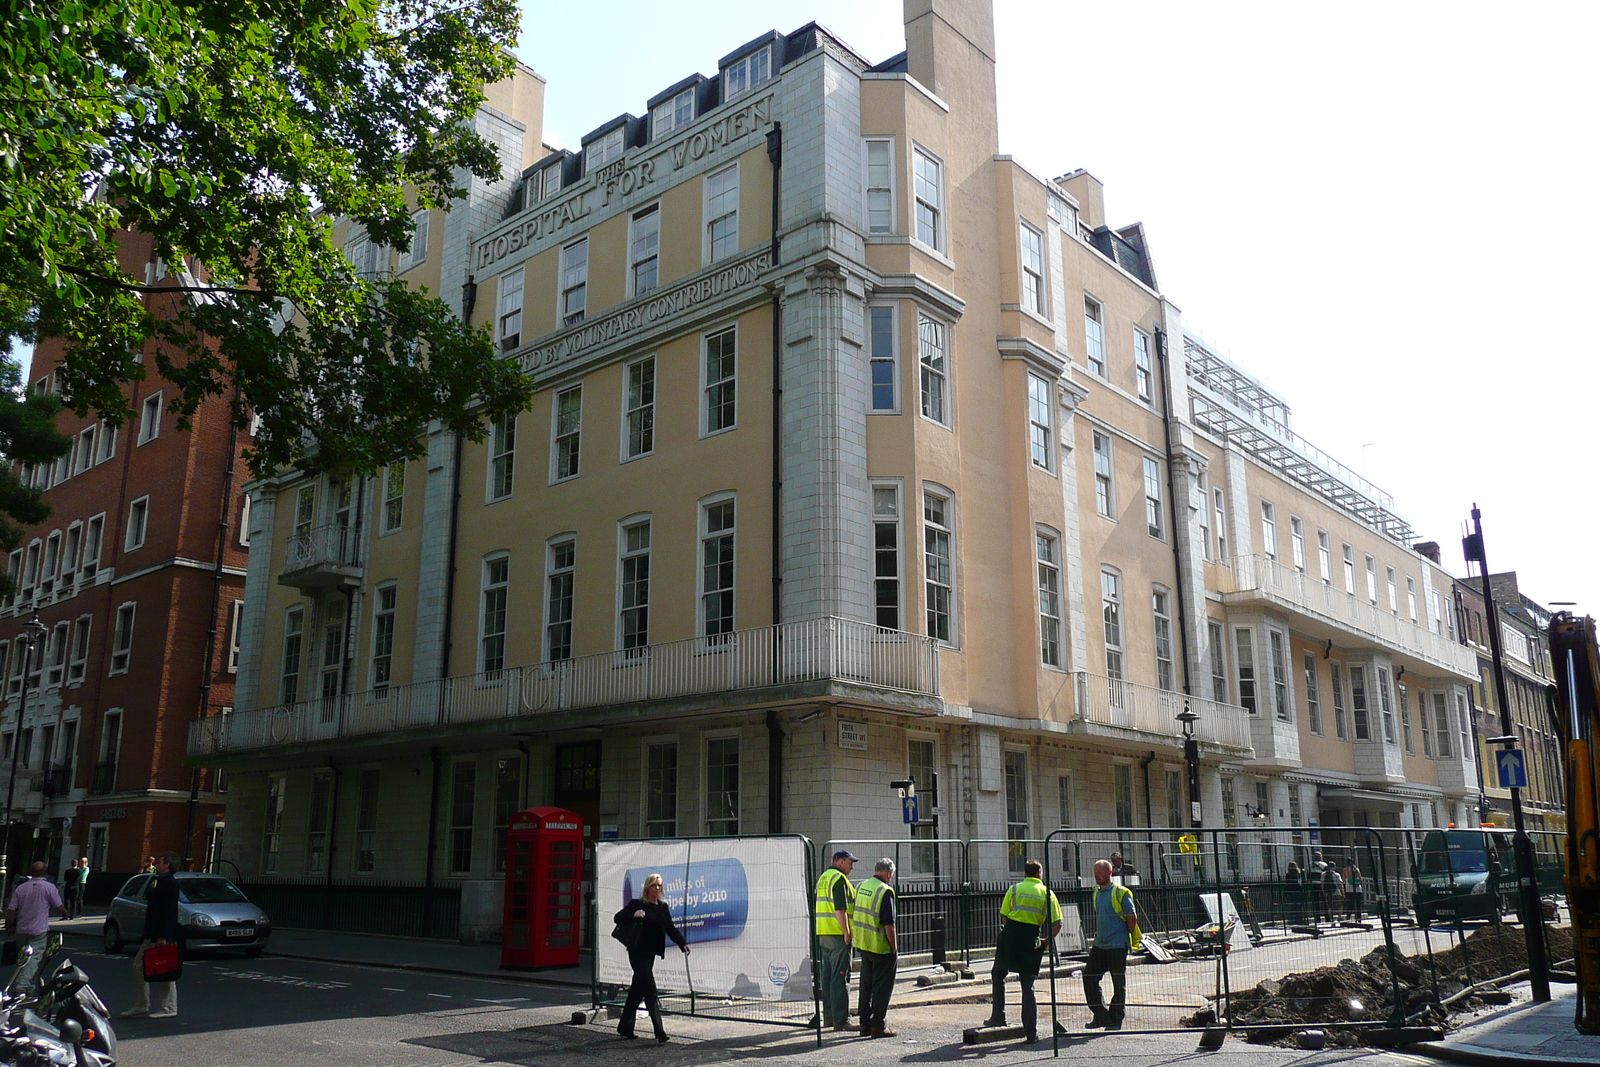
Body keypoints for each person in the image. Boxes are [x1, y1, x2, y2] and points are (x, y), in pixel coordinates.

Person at [982, 859, 1061, 1044]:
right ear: (1040, 874)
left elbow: (1004, 917)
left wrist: (1012, 933)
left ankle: (998, 1016)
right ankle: (1031, 1033)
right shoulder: (1047, 893)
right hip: (1031, 938)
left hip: (1010, 936)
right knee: (1028, 986)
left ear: (1025, 873)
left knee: (998, 973)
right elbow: (1057, 923)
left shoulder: (1014, 889)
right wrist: (1046, 942)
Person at [613, 872, 688, 1043]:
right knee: (651, 990)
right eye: (654, 885)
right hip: (637, 952)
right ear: (647, 887)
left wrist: (682, 943)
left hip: (650, 954)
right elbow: (617, 918)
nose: (658, 888)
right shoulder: (637, 904)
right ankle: (660, 1032)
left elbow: (670, 928)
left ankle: (625, 1026)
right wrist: (634, 915)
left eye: (660, 885)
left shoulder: (662, 907)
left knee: (637, 990)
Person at [123, 851, 181, 1019]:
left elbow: (168, 911)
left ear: (167, 865)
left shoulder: (169, 883)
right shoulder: (161, 882)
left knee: (165, 969)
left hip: (162, 934)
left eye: (160, 862)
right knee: (141, 967)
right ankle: (142, 1004)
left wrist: (162, 936)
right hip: (153, 933)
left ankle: (168, 1007)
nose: (156, 865)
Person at [1083, 858, 1139, 1031]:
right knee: (1089, 978)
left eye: (1100, 873)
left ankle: (1115, 1020)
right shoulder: (1096, 893)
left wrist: (1123, 935)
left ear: (1110, 873)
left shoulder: (1121, 893)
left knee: (1118, 984)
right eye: (1095, 873)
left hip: (1117, 945)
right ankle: (1101, 1015)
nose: (1097, 876)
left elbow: (1132, 917)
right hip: (1100, 944)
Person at [851, 858, 898, 1039]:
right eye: (891, 874)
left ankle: (864, 1024)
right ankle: (878, 1026)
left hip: (863, 943)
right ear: (887, 873)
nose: (891, 878)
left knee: (866, 986)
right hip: (880, 946)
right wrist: (893, 946)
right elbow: (889, 923)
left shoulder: (862, 886)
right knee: (882, 988)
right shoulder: (885, 890)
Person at [813, 849, 857, 1033]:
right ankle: (841, 1020)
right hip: (838, 935)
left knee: (828, 977)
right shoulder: (838, 879)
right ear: (839, 862)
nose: (852, 867)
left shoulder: (824, 877)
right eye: (849, 862)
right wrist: (847, 932)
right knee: (841, 977)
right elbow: (840, 909)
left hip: (823, 933)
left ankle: (829, 1018)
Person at [5, 861, 66, 991]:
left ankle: (29, 985)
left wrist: (9, 926)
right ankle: (21, 985)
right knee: (34, 958)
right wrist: (66, 913)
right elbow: (59, 907)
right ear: (45, 872)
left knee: (23, 959)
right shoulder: (49, 888)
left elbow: (11, 910)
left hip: (21, 929)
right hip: (39, 930)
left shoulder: (21, 888)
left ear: (31, 872)